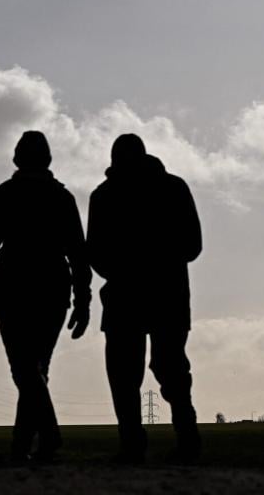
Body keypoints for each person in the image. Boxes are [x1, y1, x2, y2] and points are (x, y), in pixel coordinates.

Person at [0, 131, 92, 462]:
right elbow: (78, 254)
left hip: (13, 289)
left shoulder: (7, 194)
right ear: (48, 160)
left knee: (26, 369)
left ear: (16, 159)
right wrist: (83, 299)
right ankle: (25, 445)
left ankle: (45, 437)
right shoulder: (62, 198)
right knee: (35, 369)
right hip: (54, 289)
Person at [86, 134, 202, 464]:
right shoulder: (173, 188)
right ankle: (186, 437)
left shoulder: (105, 196)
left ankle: (134, 444)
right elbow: (192, 246)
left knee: (127, 374)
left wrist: (124, 269)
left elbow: (95, 253)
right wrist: (163, 261)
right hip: (167, 294)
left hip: (127, 296)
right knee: (170, 368)